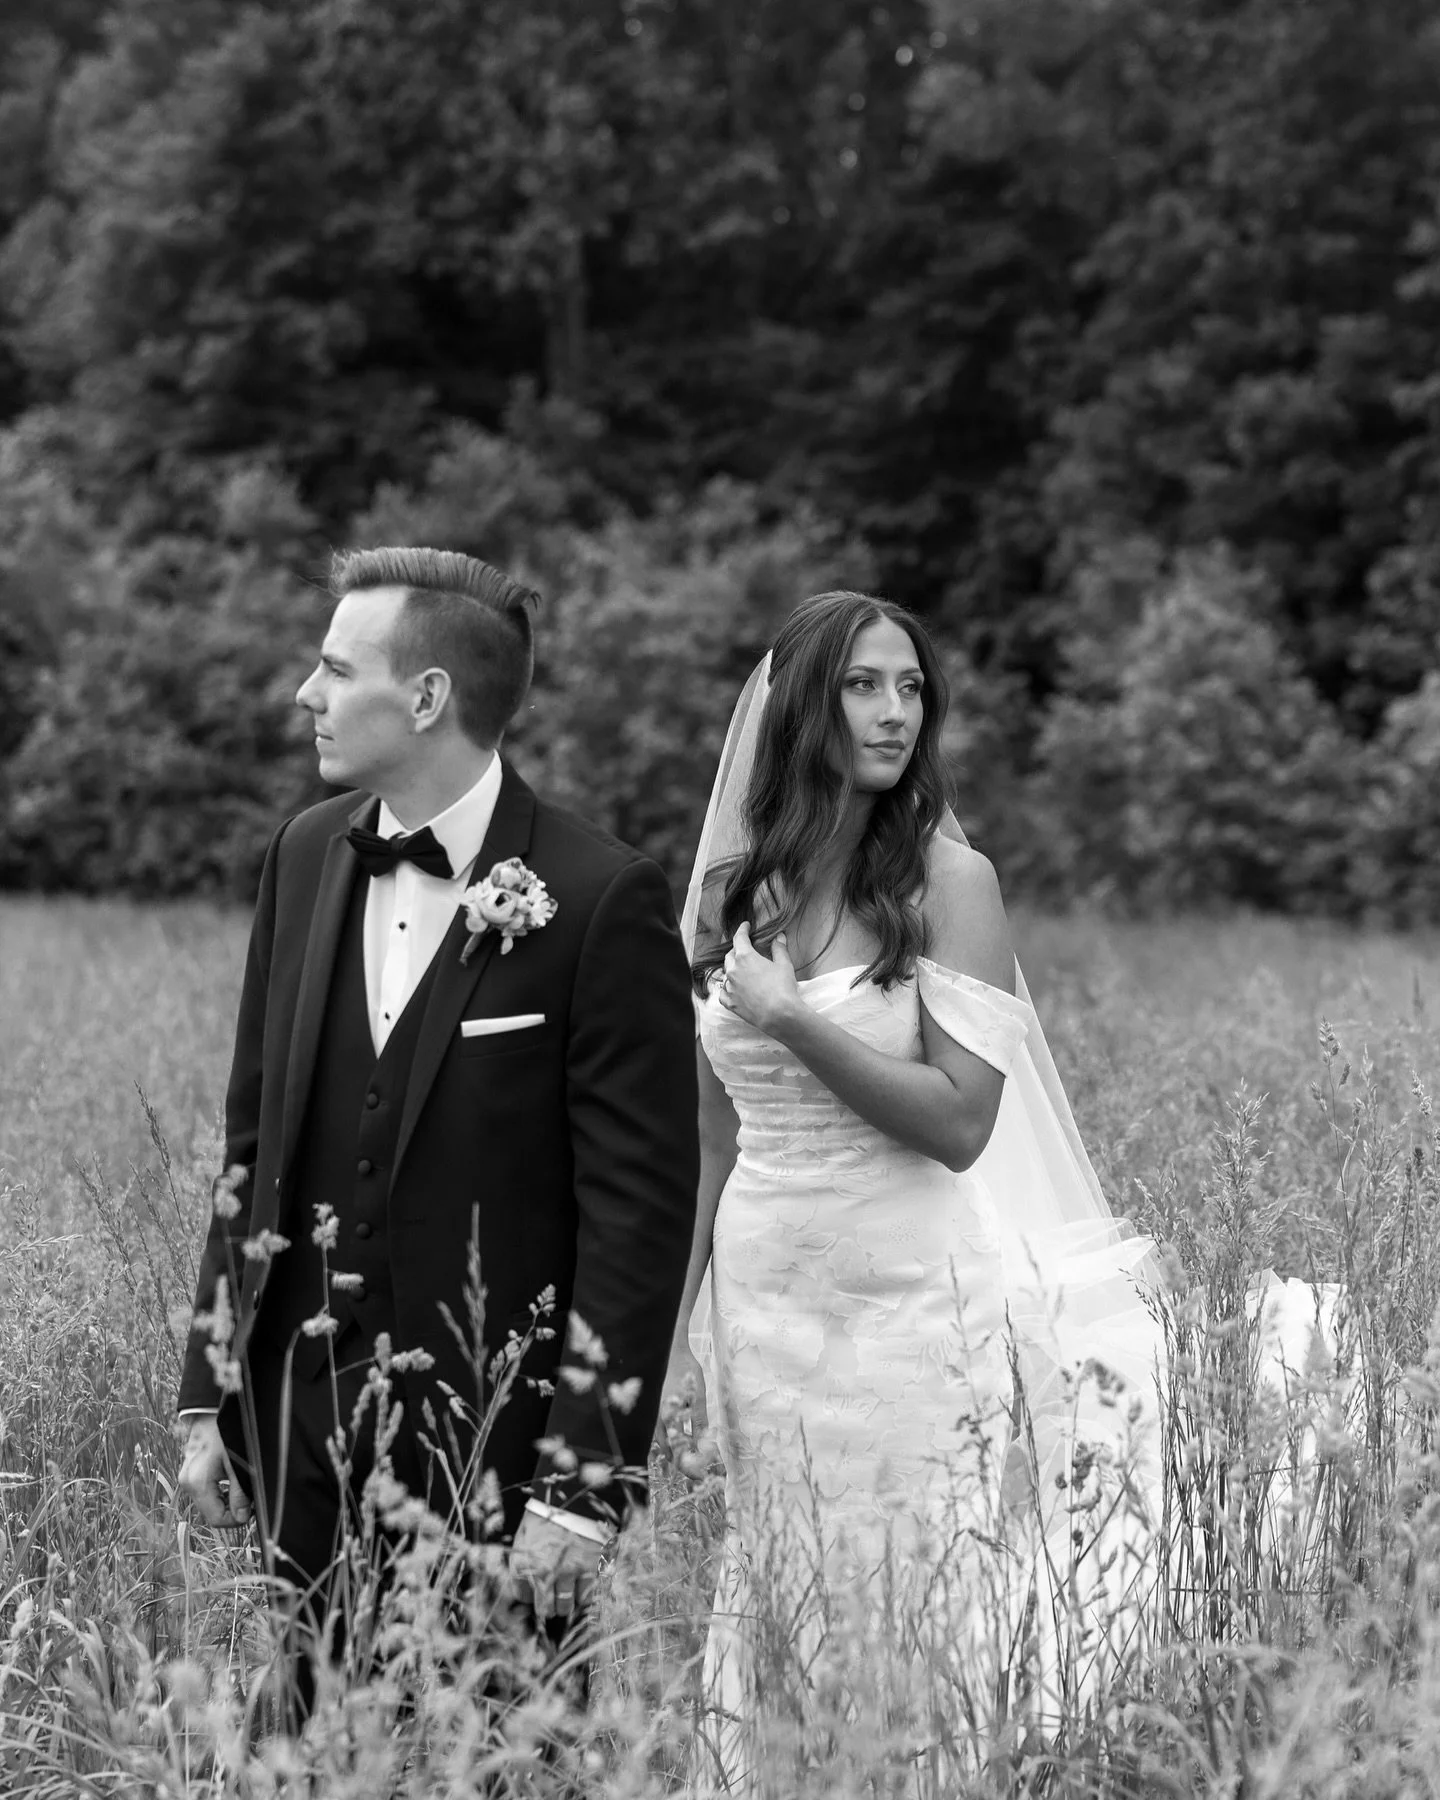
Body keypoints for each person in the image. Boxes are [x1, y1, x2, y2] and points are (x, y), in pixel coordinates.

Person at [177, 546, 699, 1688]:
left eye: (334, 669)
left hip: (495, 1458)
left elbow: (639, 1218)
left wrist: (582, 1486)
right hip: (300, 1430)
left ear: (425, 697)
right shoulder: (303, 854)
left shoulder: (601, 898)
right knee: (310, 1744)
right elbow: (251, 1147)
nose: (305, 695)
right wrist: (210, 1393)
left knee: (499, 1752)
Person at [665, 590, 1160, 1774]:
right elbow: (710, 1144)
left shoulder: (950, 882)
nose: (895, 713)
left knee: (913, 1578)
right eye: (862, 686)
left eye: (911, 688)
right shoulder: (736, 890)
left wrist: (793, 1019)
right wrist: (676, 1332)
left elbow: (961, 1123)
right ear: (800, 706)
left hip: (909, 1296)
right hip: (763, 1300)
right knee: (778, 1576)